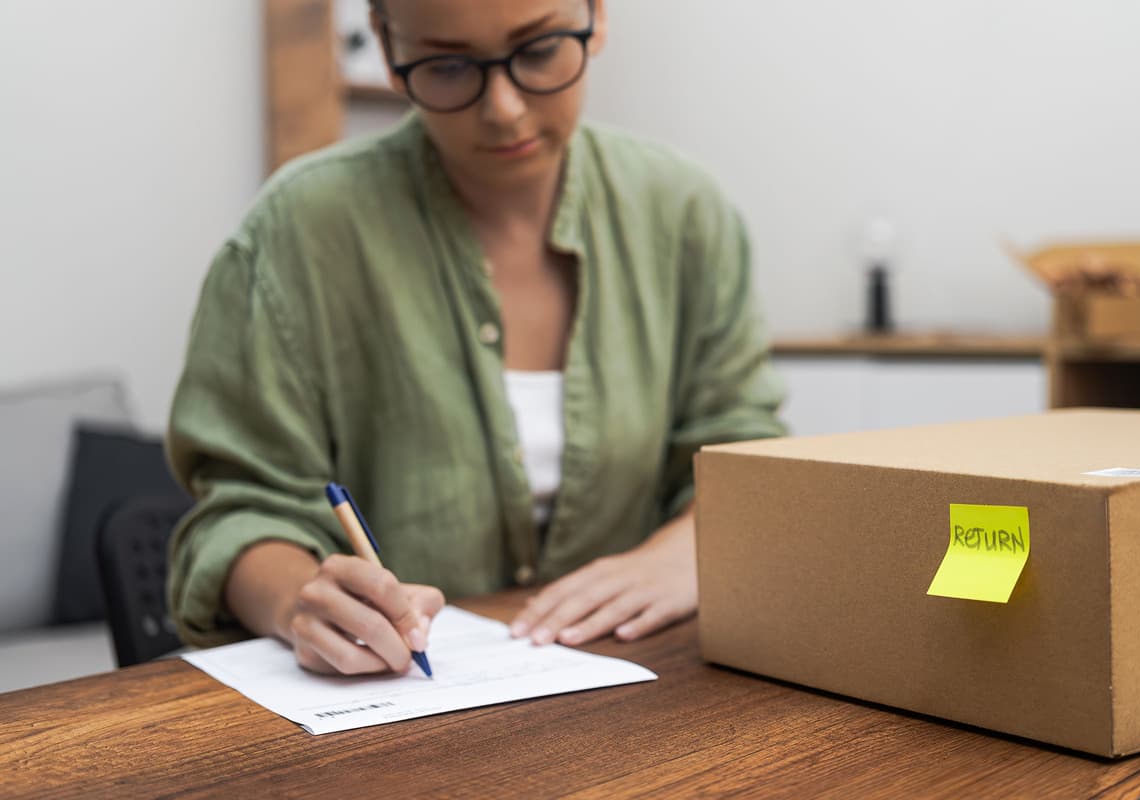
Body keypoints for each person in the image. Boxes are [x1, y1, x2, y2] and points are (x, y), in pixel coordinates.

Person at [167, 0, 785, 676]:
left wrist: (683, 552)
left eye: (541, 49)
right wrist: (298, 602)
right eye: (448, 66)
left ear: (597, 16)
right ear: (386, 44)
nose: (504, 109)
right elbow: (241, 509)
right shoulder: (298, 235)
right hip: (404, 712)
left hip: (647, 686)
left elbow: (742, 445)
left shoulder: (685, 214)